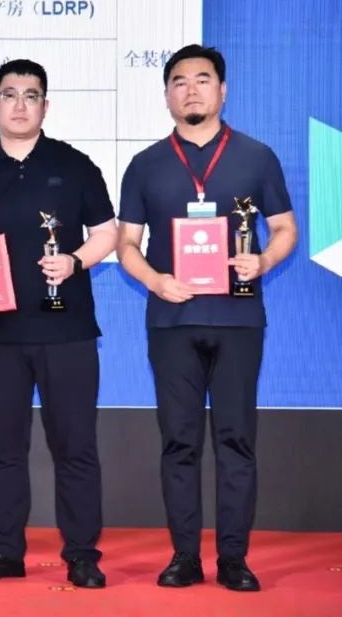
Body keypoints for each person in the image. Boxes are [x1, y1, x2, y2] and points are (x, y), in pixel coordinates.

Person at [117, 44, 297, 592]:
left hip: (238, 319)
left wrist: (262, 261)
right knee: (180, 442)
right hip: (172, 322)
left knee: (236, 440)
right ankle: (185, 557)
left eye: (202, 79)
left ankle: (234, 559)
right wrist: (156, 281)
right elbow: (126, 244)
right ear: (167, 95)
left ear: (223, 90)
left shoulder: (256, 157)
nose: (190, 89)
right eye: (179, 81)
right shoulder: (145, 164)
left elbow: (285, 229)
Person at [0, 59, 116, 589]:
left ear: (45, 104)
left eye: (31, 95)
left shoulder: (75, 165)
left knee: (76, 446)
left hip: (67, 332)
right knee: (2, 448)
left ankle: (82, 554)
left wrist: (75, 262)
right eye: (10, 94)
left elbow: (108, 233)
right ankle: (4, 550)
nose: (20, 105)